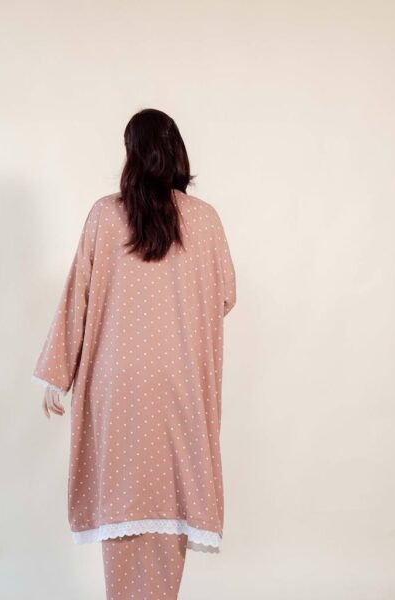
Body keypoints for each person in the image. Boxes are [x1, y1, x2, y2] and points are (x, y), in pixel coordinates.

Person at [31, 108, 237, 599]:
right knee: (170, 504)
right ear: (177, 153)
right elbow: (225, 296)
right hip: (179, 387)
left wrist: (56, 374)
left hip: (117, 388)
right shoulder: (205, 220)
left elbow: (78, 296)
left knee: (122, 508)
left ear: (131, 155)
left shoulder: (105, 215)